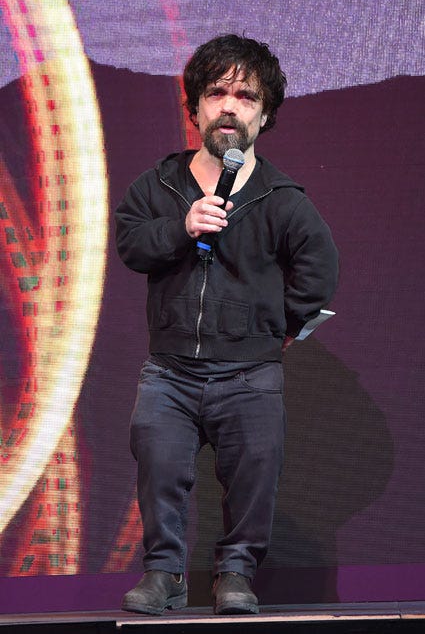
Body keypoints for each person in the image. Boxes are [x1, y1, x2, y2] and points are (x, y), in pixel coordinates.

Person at [115, 34, 338, 615]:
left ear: (264, 115)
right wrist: (182, 227)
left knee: (253, 478)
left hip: (249, 375)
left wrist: (278, 327)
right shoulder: (159, 185)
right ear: (195, 108)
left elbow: (318, 270)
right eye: (217, 93)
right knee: (159, 470)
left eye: (246, 97)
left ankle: (236, 574)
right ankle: (164, 574)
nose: (230, 107)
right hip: (169, 372)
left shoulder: (282, 198)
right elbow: (131, 244)